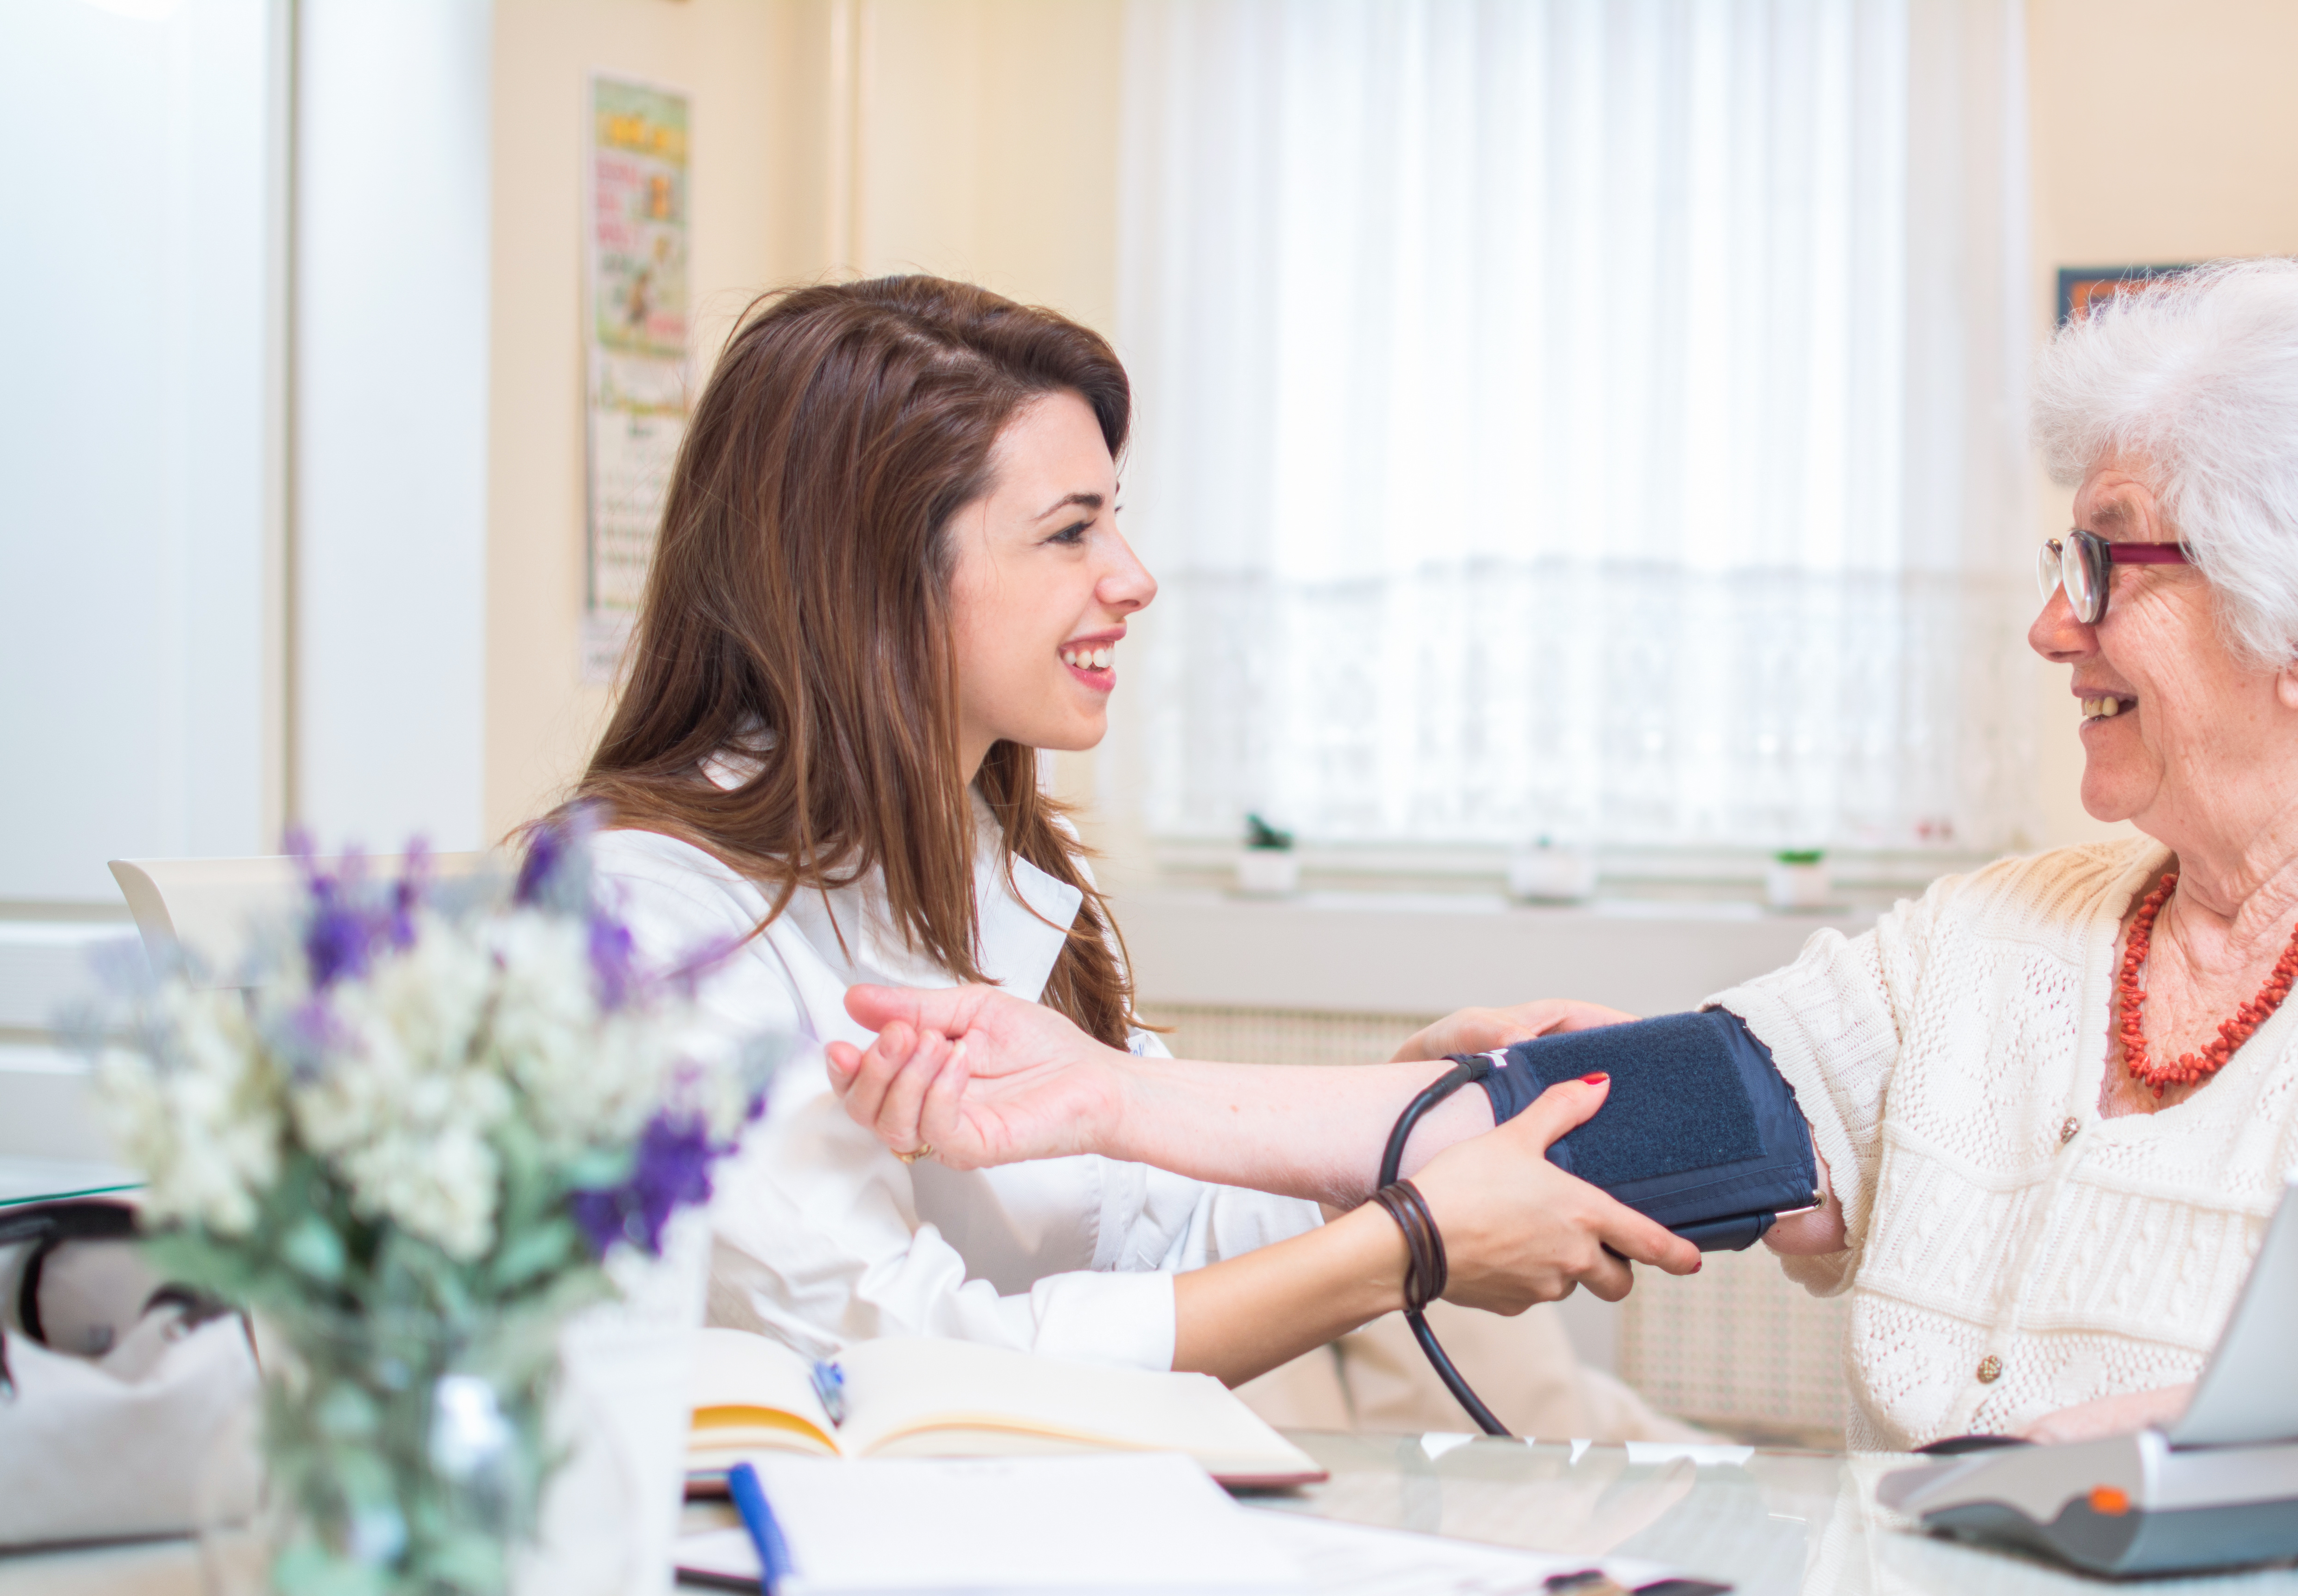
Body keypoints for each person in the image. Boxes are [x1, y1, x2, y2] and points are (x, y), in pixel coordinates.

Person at [832, 256, 2298, 1494]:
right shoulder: (2020, 930)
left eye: (2114, 565)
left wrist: (2127, 1430)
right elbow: (1591, 1125)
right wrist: (1100, 1100)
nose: (2054, 625)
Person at [556, 274, 1700, 1383]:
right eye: (1070, 533)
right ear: (874, 579)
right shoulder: (639, 923)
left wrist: (1401, 1118)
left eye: (1117, 524)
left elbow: (1159, 1233)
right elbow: (899, 1352)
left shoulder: (990, 865)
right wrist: (1410, 1239)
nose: (1135, 579)